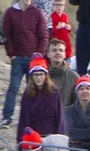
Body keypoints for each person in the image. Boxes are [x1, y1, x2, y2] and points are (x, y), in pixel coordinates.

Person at [3, 0, 49, 128]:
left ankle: (33, 117)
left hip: (33, 59)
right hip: (17, 58)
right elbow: (6, 34)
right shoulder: (10, 12)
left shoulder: (38, 13)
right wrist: (11, 53)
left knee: (34, 89)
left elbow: (44, 36)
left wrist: (39, 54)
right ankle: (7, 117)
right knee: (13, 87)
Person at [46, 38, 77, 105]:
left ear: (65, 54)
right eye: (54, 50)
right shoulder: (42, 76)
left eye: (61, 50)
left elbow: (77, 103)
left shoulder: (74, 76)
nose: (58, 53)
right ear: (48, 54)